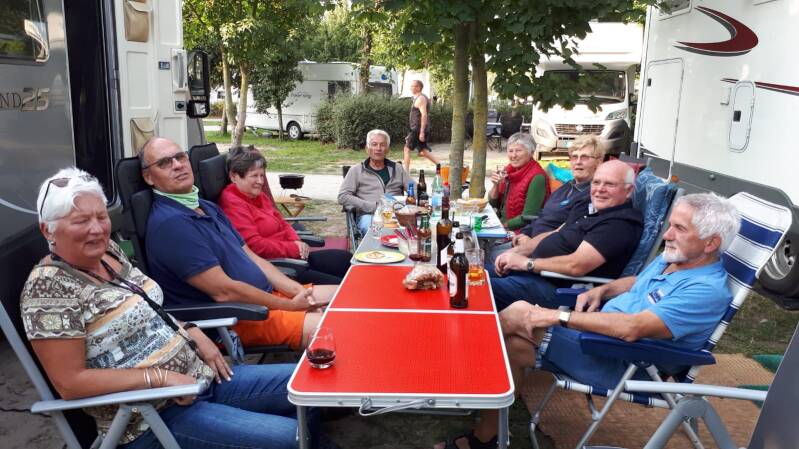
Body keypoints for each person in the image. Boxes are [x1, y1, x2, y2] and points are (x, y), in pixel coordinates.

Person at [21, 168, 308, 449]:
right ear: (48, 229)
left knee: (309, 390)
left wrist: (191, 329)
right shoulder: (48, 289)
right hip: (151, 417)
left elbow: (145, 306)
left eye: (101, 216)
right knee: (290, 437)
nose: (97, 228)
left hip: (202, 379)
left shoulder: (109, 253)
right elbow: (70, 382)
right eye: (81, 221)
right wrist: (160, 378)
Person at [435, 193, 740, 449]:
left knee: (519, 313)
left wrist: (557, 316)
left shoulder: (705, 290)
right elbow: (637, 282)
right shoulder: (674, 259)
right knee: (514, 346)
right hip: (601, 340)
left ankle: (450, 372)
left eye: (679, 228)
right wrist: (604, 290)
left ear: (710, 243)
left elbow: (632, 328)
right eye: (670, 225)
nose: (667, 235)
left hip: (629, 361)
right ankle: (486, 437)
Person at [141, 137, 336, 351]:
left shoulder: (206, 207)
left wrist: (298, 292)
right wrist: (290, 306)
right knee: (339, 329)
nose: (177, 165)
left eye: (180, 157)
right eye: (164, 163)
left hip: (267, 297)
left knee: (347, 296)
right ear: (149, 177)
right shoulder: (171, 225)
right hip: (239, 317)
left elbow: (252, 257)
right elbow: (225, 292)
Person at [490, 160, 643, 311]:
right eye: (596, 182)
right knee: (477, 274)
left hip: (558, 290)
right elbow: (556, 232)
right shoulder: (594, 211)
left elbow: (576, 266)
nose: (600, 189)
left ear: (628, 190)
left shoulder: (618, 224)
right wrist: (516, 252)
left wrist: (526, 263)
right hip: (534, 274)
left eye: (610, 184)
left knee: (480, 289)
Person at [219, 145, 351, 284]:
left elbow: (281, 222)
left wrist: (296, 240)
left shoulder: (257, 195)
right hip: (279, 269)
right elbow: (255, 246)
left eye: (262, 175)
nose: (261, 181)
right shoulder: (233, 204)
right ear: (234, 176)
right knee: (344, 285)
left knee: (345, 259)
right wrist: (293, 248)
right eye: (254, 176)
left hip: (292, 257)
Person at [487, 134, 604, 263]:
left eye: (585, 157)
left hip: (541, 253)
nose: (578, 162)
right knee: (483, 251)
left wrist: (528, 242)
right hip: (526, 238)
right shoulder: (567, 187)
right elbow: (541, 215)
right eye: (574, 157)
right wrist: (525, 233)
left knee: (486, 256)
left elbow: (562, 234)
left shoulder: (592, 196)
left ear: (598, 163)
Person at [338, 129, 412, 235]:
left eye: (382, 145)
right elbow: (343, 196)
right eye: (374, 144)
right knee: (373, 228)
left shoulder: (397, 168)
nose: (378, 148)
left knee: (416, 227)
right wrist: (372, 206)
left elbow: (414, 188)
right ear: (367, 149)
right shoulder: (356, 170)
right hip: (370, 215)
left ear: (387, 149)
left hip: (397, 214)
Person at [487, 132, 550, 231]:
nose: (513, 155)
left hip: (520, 231)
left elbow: (528, 217)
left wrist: (500, 227)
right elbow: (493, 204)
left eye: (518, 150)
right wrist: (496, 185)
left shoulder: (537, 177)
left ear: (531, 152)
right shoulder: (508, 171)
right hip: (500, 224)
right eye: (510, 151)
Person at [403, 80, 440, 171]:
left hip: (417, 129)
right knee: (423, 151)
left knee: (406, 149)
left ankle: (405, 172)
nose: (411, 88)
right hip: (417, 128)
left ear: (419, 87)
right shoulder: (418, 98)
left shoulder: (421, 98)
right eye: (411, 86)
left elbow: (424, 115)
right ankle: (441, 166)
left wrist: (422, 132)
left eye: (413, 86)